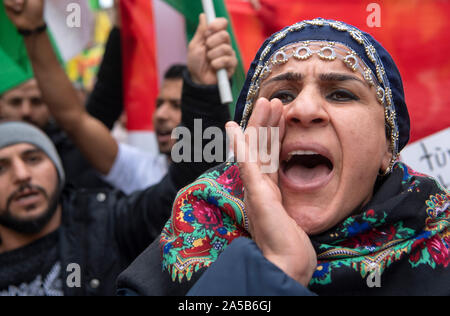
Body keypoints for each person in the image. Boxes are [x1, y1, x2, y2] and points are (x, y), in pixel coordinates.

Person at [117, 18, 449, 296]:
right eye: (283, 94)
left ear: (388, 147)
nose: (303, 110)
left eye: (341, 94)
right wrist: (276, 269)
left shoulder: (437, 240)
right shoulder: (194, 224)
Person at [0, 3, 233, 297]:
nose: (22, 175)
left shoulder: (108, 225)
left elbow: (190, 185)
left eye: (33, 159)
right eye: (1, 167)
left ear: (59, 168)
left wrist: (202, 90)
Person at [4, 0, 236, 195]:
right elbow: (75, 120)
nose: (161, 115)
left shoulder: (240, 173)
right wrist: (33, 29)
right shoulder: (141, 175)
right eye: (159, 104)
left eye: (177, 105)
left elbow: (198, 170)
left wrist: (205, 90)